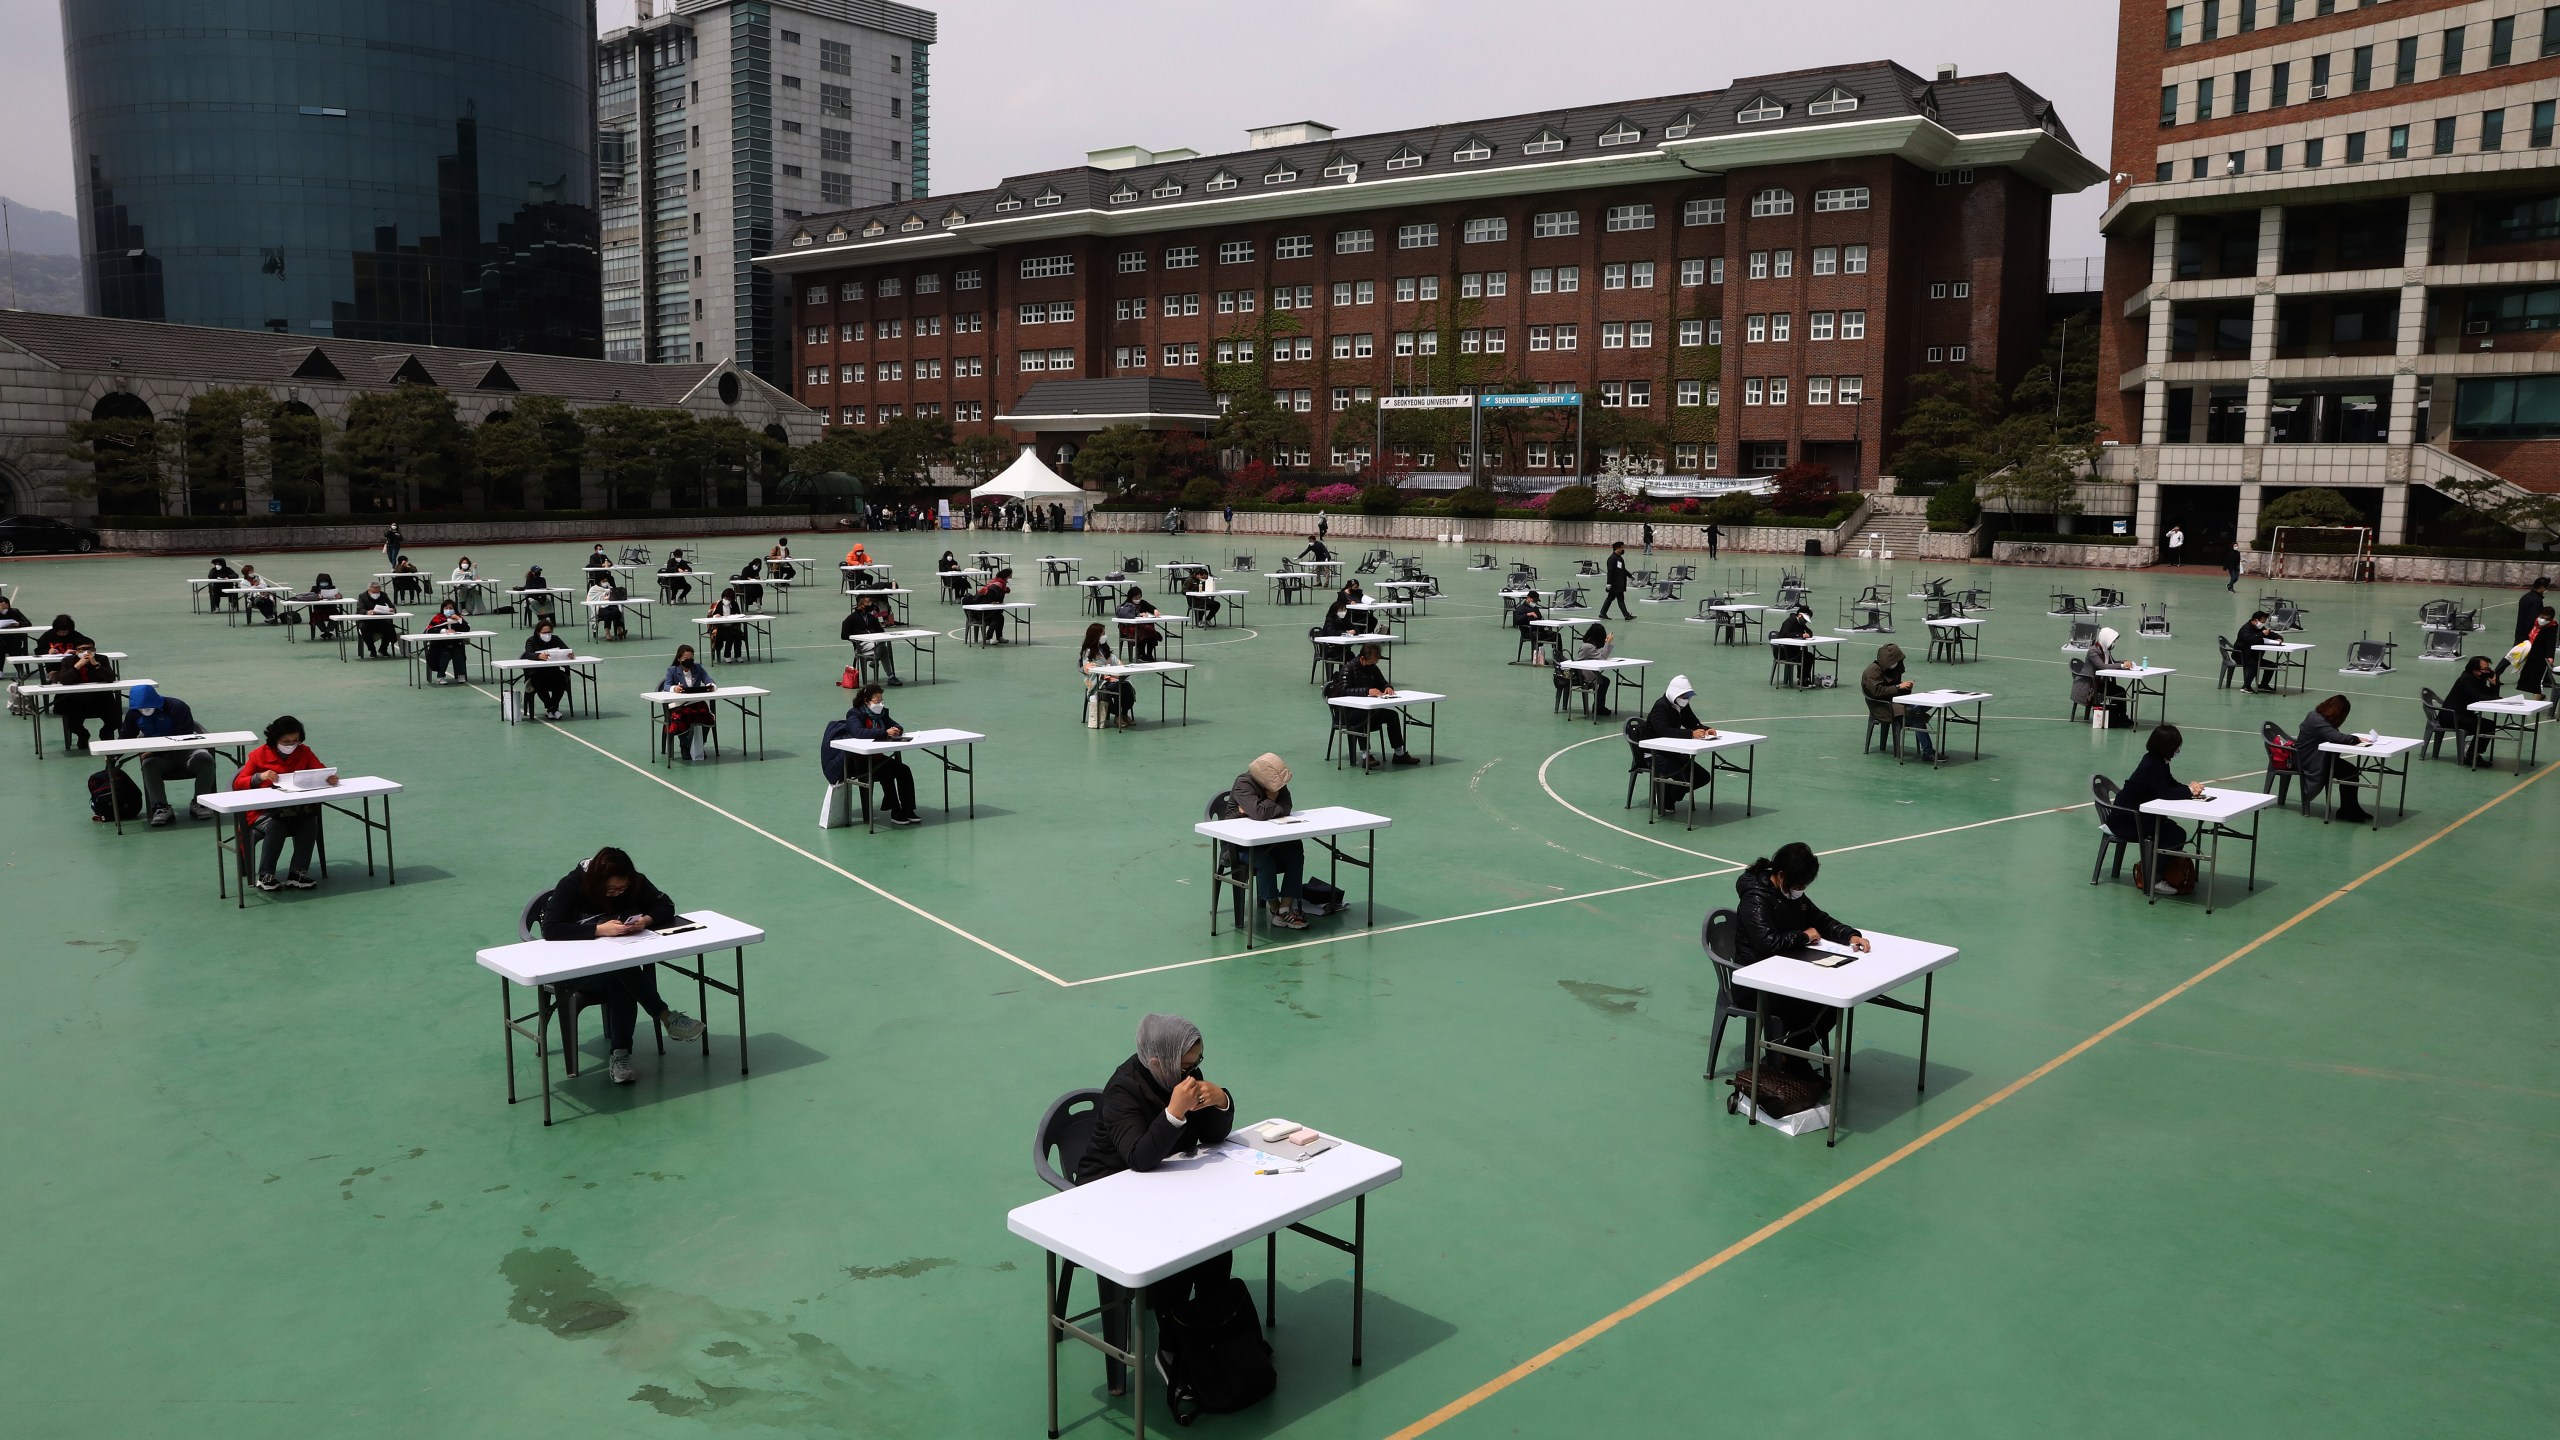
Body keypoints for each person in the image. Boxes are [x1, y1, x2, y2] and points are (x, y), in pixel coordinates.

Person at [1075, 1013, 1238, 1396]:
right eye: (1187, 1065)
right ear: (1157, 1062)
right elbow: (1138, 1158)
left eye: (1198, 1063)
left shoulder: (1179, 1078)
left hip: (1162, 1188)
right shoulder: (1123, 1092)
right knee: (1174, 1252)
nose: (1194, 1072)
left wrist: (1221, 1101)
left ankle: (1209, 1324)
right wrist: (1174, 1113)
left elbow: (1212, 1136)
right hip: (1107, 1192)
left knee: (1216, 1243)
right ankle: (1172, 1341)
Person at [537, 847, 708, 1084]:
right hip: (576, 973)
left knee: (620, 976)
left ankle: (620, 1056)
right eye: (611, 889)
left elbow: (665, 905)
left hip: (615, 971)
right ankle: (666, 1016)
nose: (617, 894)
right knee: (622, 970)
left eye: (622, 888)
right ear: (596, 882)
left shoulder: (635, 882)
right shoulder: (572, 885)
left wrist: (645, 920)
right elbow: (551, 929)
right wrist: (599, 930)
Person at [1730, 842, 1870, 1098]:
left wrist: (1849, 935)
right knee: (1820, 1006)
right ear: (1781, 876)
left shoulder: (1789, 893)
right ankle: (1791, 1057)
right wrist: (1803, 937)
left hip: (1783, 974)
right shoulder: (1756, 899)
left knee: (1832, 1005)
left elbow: (1819, 919)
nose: (1801, 891)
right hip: (1754, 984)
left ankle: (1791, 1056)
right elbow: (1767, 942)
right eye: (1798, 886)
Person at [232, 714, 337, 891]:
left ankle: (297, 873)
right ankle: (265, 875)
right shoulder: (258, 756)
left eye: (295, 740)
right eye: (286, 741)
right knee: (276, 825)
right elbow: (238, 784)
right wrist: (260, 776)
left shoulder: (304, 752)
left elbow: (320, 771)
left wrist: (329, 778)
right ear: (275, 740)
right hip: (261, 812)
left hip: (295, 810)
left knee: (310, 821)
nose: (291, 745)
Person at [2111, 723, 2206, 895]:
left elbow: (2170, 782)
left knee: (2178, 833)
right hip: (2129, 819)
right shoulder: (2151, 765)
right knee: (2171, 837)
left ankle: (2150, 867)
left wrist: (2191, 788)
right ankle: (2151, 878)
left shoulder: (2157, 761)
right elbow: (2165, 792)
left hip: (2140, 815)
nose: (2178, 749)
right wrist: (2189, 791)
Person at [117, 683, 218, 826]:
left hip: (186, 751)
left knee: (206, 759)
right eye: (140, 708)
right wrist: (114, 754)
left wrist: (155, 751)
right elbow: (126, 736)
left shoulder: (177, 707)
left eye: (147, 707)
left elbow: (185, 737)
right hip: (161, 759)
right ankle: (161, 807)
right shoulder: (133, 714)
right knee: (148, 765)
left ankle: (200, 802)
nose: (144, 710)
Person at [1230, 753, 1308, 929]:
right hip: (1238, 844)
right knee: (1265, 861)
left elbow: (1286, 807)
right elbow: (1259, 814)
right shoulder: (1243, 784)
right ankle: (1274, 908)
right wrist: (1271, 799)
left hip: (1267, 840)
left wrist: (1259, 808)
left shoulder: (1278, 785)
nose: (1281, 788)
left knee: (1295, 849)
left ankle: (1284, 908)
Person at [838, 683, 922, 825]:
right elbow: (858, 732)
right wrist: (884, 732)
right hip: (860, 762)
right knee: (887, 773)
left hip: (878, 758)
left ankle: (908, 809)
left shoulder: (882, 714)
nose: (880, 704)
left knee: (904, 770)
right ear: (866, 701)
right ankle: (896, 811)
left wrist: (897, 730)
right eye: (877, 701)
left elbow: (897, 725)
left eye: (882, 701)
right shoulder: (854, 714)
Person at [1643, 675, 1719, 814]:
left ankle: (1668, 795)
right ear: (1674, 693)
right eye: (1683, 696)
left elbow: (1693, 723)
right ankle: (1666, 799)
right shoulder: (1660, 707)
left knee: (1703, 777)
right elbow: (1663, 730)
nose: (1686, 699)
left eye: (1688, 696)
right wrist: (1691, 734)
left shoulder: (1683, 705)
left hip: (1673, 753)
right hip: (1655, 755)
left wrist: (1706, 729)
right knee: (1686, 777)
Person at [1334, 642, 1420, 766]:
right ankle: (1366, 755)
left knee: (1392, 715)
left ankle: (1399, 753)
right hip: (1348, 713)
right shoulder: (1349, 668)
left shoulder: (1372, 667)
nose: (1373, 665)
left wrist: (1388, 687)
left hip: (1370, 709)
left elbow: (1382, 682)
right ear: (1363, 658)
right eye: (1372, 662)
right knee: (1362, 717)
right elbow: (1343, 690)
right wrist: (1367, 691)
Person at [2295, 695, 2374, 823]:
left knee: (2351, 771)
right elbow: (2337, 738)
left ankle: (2351, 808)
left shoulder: (2320, 718)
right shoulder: (2316, 719)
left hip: (2317, 757)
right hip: (2308, 761)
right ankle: (2347, 811)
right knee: (2349, 772)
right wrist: (2356, 739)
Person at [1860, 642, 1933, 760]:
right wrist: (1899, 687)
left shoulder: (1892, 669)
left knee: (1921, 705)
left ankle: (1916, 711)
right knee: (1916, 716)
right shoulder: (1872, 671)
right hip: (1882, 708)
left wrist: (1905, 688)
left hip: (1895, 703)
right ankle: (1928, 751)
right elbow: (1877, 692)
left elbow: (1893, 688)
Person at [47, 636, 119, 752]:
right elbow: (64, 680)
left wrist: (96, 664)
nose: (86, 652)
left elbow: (110, 677)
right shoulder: (68, 661)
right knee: (72, 723)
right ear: (75, 651)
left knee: (115, 719)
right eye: (82, 649)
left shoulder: (102, 659)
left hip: (101, 699)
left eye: (90, 649)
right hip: (77, 700)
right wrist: (78, 665)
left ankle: (105, 733)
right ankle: (83, 735)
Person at [2443, 655, 2502, 768]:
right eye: (2484, 669)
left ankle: (2473, 753)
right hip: (2452, 717)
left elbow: (2491, 695)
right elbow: (2478, 697)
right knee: (2487, 726)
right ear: (2475, 670)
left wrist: (2494, 684)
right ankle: (2471, 755)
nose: (2487, 671)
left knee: (2488, 725)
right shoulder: (2467, 680)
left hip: (2462, 715)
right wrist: (2498, 699)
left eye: (2488, 669)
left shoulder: (2478, 679)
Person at [660, 645, 717, 761]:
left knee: (707, 716)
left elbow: (708, 680)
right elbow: (666, 685)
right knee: (680, 717)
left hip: (696, 702)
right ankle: (684, 746)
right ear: (679, 659)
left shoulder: (698, 668)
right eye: (686, 659)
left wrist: (710, 686)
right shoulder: (672, 670)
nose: (689, 661)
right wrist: (674, 688)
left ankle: (700, 745)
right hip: (679, 704)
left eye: (691, 658)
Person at [1081, 623, 1137, 728]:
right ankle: (1117, 716)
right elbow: (1088, 667)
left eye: (1104, 634)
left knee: (1126, 686)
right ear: (1095, 636)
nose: (1104, 636)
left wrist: (1121, 671)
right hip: (1099, 681)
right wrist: (1103, 675)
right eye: (1102, 634)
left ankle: (1124, 713)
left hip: (1114, 678)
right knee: (1116, 687)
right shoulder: (1088, 652)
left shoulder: (1105, 649)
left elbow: (1115, 661)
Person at [520, 619, 575, 721]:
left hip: (554, 671)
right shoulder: (531, 641)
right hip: (537, 672)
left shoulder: (556, 639)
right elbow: (528, 654)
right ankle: (552, 708)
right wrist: (538, 656)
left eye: (549, 632)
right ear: (538, 632)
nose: (547, 634)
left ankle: (552, 709)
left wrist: (570, 654)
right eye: (544, 633)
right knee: (538, 682)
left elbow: (566, 649)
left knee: (562, 679)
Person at [841, 593, 902, 687]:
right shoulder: (852, 618)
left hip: (875, 644)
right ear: (861, 604)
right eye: (868, 604)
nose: (871, 606)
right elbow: (844, 635)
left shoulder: (871, 617)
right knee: (882, 645)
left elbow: (881, 631)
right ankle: (887, 672)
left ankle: (889, 675)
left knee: (883, 647)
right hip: (862, 645)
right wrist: (855, 639)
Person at [2075, 625, 2125, 717]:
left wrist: (2124, 662)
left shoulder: (2105, 650)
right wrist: (2122, 666)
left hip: (2099, 682)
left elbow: (2112, 662)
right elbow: (2102, 666)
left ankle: (2120, 716)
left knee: (2120, 691)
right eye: (2113, 640)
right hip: (2090, 684)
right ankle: (2119, 716)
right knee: (2118, 690)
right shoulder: (2093, 651)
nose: (2114, 643)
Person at [2509, 605, 2556, 698]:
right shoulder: (2533, 622)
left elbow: (2551, 642)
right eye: (2542, 617)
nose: (2543, 620)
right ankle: (2538, 695)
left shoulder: (2552, 626)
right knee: (2527, 677)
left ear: (2550, 619)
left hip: (2541, 655)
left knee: (2538, 678)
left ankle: (2538, 697)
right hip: (2528, 652)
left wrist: (2550, 656)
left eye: (2546, 619)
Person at [1571, 622, 1617, 717]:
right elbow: (1602, 657)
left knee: (1604, 680)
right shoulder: (1588, 647)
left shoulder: (1588, 646)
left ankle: (1599, 705)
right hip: (1584, 675)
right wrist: (1607, 643)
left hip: (1585, 673)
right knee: (1604, 681)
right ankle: (1599, 706)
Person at [421, 600, 472, 685]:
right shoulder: (438, 617)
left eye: (451, 608)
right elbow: (428, 630)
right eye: (446, 608)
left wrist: (459, 619)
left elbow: (466, 628)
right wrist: (444, 631)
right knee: (445, 653)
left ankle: (461, 675)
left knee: (458, 653)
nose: (448, 609)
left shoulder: (457, 618)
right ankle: (440, 676)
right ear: (442, 609)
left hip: (455, 645)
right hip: (439, 646)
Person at [1772, 604, 1816, 688]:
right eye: (1805, 620)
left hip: (1792, 651)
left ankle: (1804, 679)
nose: (1805, 622)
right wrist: (1800, 635)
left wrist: (1807, 634)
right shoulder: (1790, 621)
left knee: (1808, 655)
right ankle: (1802, 681)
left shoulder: (1800, 623)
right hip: (1782, 652)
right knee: (1806, 656)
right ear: (1800, 615)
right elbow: (1785, 634)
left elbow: (1810, 632)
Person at [352, 581, 400, 658]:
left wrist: (392, 609)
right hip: (367, 622)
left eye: (378, 591)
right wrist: (367, 612)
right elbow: (360, 609)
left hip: (381, 621)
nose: (376, 593)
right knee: (363, 629)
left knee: (390, 628)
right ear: (369, 589)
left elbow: (392, 606)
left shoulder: (383, 595)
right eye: (374, 591)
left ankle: (383, 649)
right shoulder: (362, 596)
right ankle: (372, 650)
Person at [1115, 586, 1162, 662]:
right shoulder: (1126, 605)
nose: (1138, 599)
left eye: (1139, 597)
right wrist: (1139, 614)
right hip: (1128, 628)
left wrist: (1155, 610)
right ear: (1131, 597)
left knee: (1148, 629)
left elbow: (1150, 607)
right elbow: (1127, 614)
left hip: (1141, 626)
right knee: (1146, 631)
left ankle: (1149, 654)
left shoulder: (1143, 603)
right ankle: (1141, 654)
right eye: (1136, 598)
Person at [2235, 611, 2275, 693]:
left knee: (2271, 665)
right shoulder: (2245, 629)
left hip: (2252, 655)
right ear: (2256, 620)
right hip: (2241, 655)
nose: (2263, 624)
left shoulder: (2259, 628)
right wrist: (2262, 634)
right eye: (2262, 621)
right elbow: (2251, 639)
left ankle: (2264, 685)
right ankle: (2246, 686)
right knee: (2254, 664)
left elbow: (2270, 634)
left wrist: (2279, 638)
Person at [706, 587, 749, 663]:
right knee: (730, 635)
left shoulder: (734, 604)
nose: (727, 600)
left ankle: (738, 655)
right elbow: (711, 615)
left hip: (733, 626)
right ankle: (727, 655)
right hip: (721, 628)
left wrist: (736, 615)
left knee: (738, 634)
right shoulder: (717, 604)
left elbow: (739, 614)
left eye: (729, 598)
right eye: (725, 598)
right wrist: (716, 616)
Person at [586, 573, 626, 641]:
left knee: (617, 612)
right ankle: (607, 632)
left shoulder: (610, 588)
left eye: (606, 581)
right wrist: (603, 596)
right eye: (603, 581)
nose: (605, 582)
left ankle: (620, 630)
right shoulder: (594, 589)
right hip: (600, 608)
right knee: (608, 614)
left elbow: (614, 597)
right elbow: (590, 599)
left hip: (611, 606)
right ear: (599, 581)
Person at [1602, 540, 1634, 620]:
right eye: (1621, 548)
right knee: (1620, 599)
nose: (1623, 549)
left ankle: (1602, 613)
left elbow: (1623, 569)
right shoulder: (1612, 558)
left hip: (1619, 583)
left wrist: (1630, 575)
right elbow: (1610, 571)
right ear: (1617, 548)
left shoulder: (1619, 558)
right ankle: (1626, 615)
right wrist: (1609, 583)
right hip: (1615, 584)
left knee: (1610, 598)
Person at [2514, 577, 2551, 646]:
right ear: (2542, 587)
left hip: (2519, 634)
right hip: (2528, 638)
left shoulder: (2525, 597)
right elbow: (2534, 619)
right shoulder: (2537, 600)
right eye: (2545, 588)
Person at [0, 593, 32, 658]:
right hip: (1, 640)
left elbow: (28, 623)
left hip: (13, 639)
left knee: (14, 647)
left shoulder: (15, 611)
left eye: (6, 604)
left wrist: (18, 624)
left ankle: (19, 667)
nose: (4, 606)